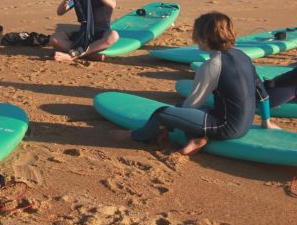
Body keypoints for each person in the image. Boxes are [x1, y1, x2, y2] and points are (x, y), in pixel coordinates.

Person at [114, 12, 271, 155]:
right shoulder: (242, 56)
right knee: (187, 109)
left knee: (163, 113)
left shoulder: (211, 66)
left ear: (204, 38)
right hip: (245, 125)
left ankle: (135, 135)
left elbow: (192, 105)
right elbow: (261, 92)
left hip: (224, 128)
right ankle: (196, 140)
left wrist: (169, 124)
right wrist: (266, 122)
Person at [50, 0, 119, 62]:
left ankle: (73, 55)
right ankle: (89, 55)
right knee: (55, 38)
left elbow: (112, 4)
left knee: (114, 35)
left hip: (101, 34)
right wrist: (65, 1)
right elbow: (60, 12)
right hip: (83, 34)